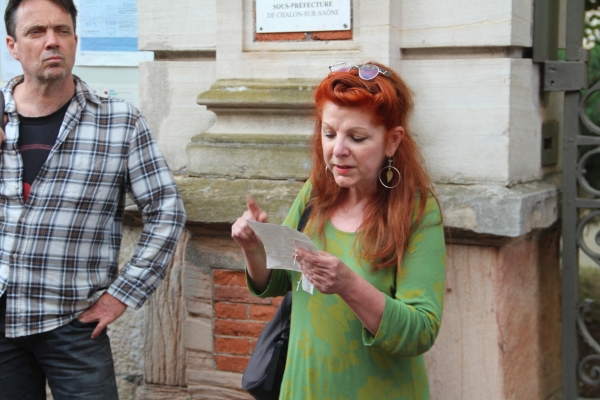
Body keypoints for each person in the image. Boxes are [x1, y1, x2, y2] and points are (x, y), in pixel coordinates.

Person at [0, 0, 186, 399]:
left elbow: (167, 212)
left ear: (75, 40)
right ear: (13, 46)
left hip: (74, 323)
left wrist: (121, 295)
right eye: (37, 32)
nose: (52, 41)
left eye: (62, 31)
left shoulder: (119, 121)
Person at [232, 61, 446, 399]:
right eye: (329, 133)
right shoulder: (315, 194)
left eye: (357, 137)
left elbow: (420, 331)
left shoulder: (418, 212)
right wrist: (253, 247)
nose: (338, 150)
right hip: (303, 388)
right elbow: (275, 281)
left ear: (392, 141)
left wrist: (347, 285)